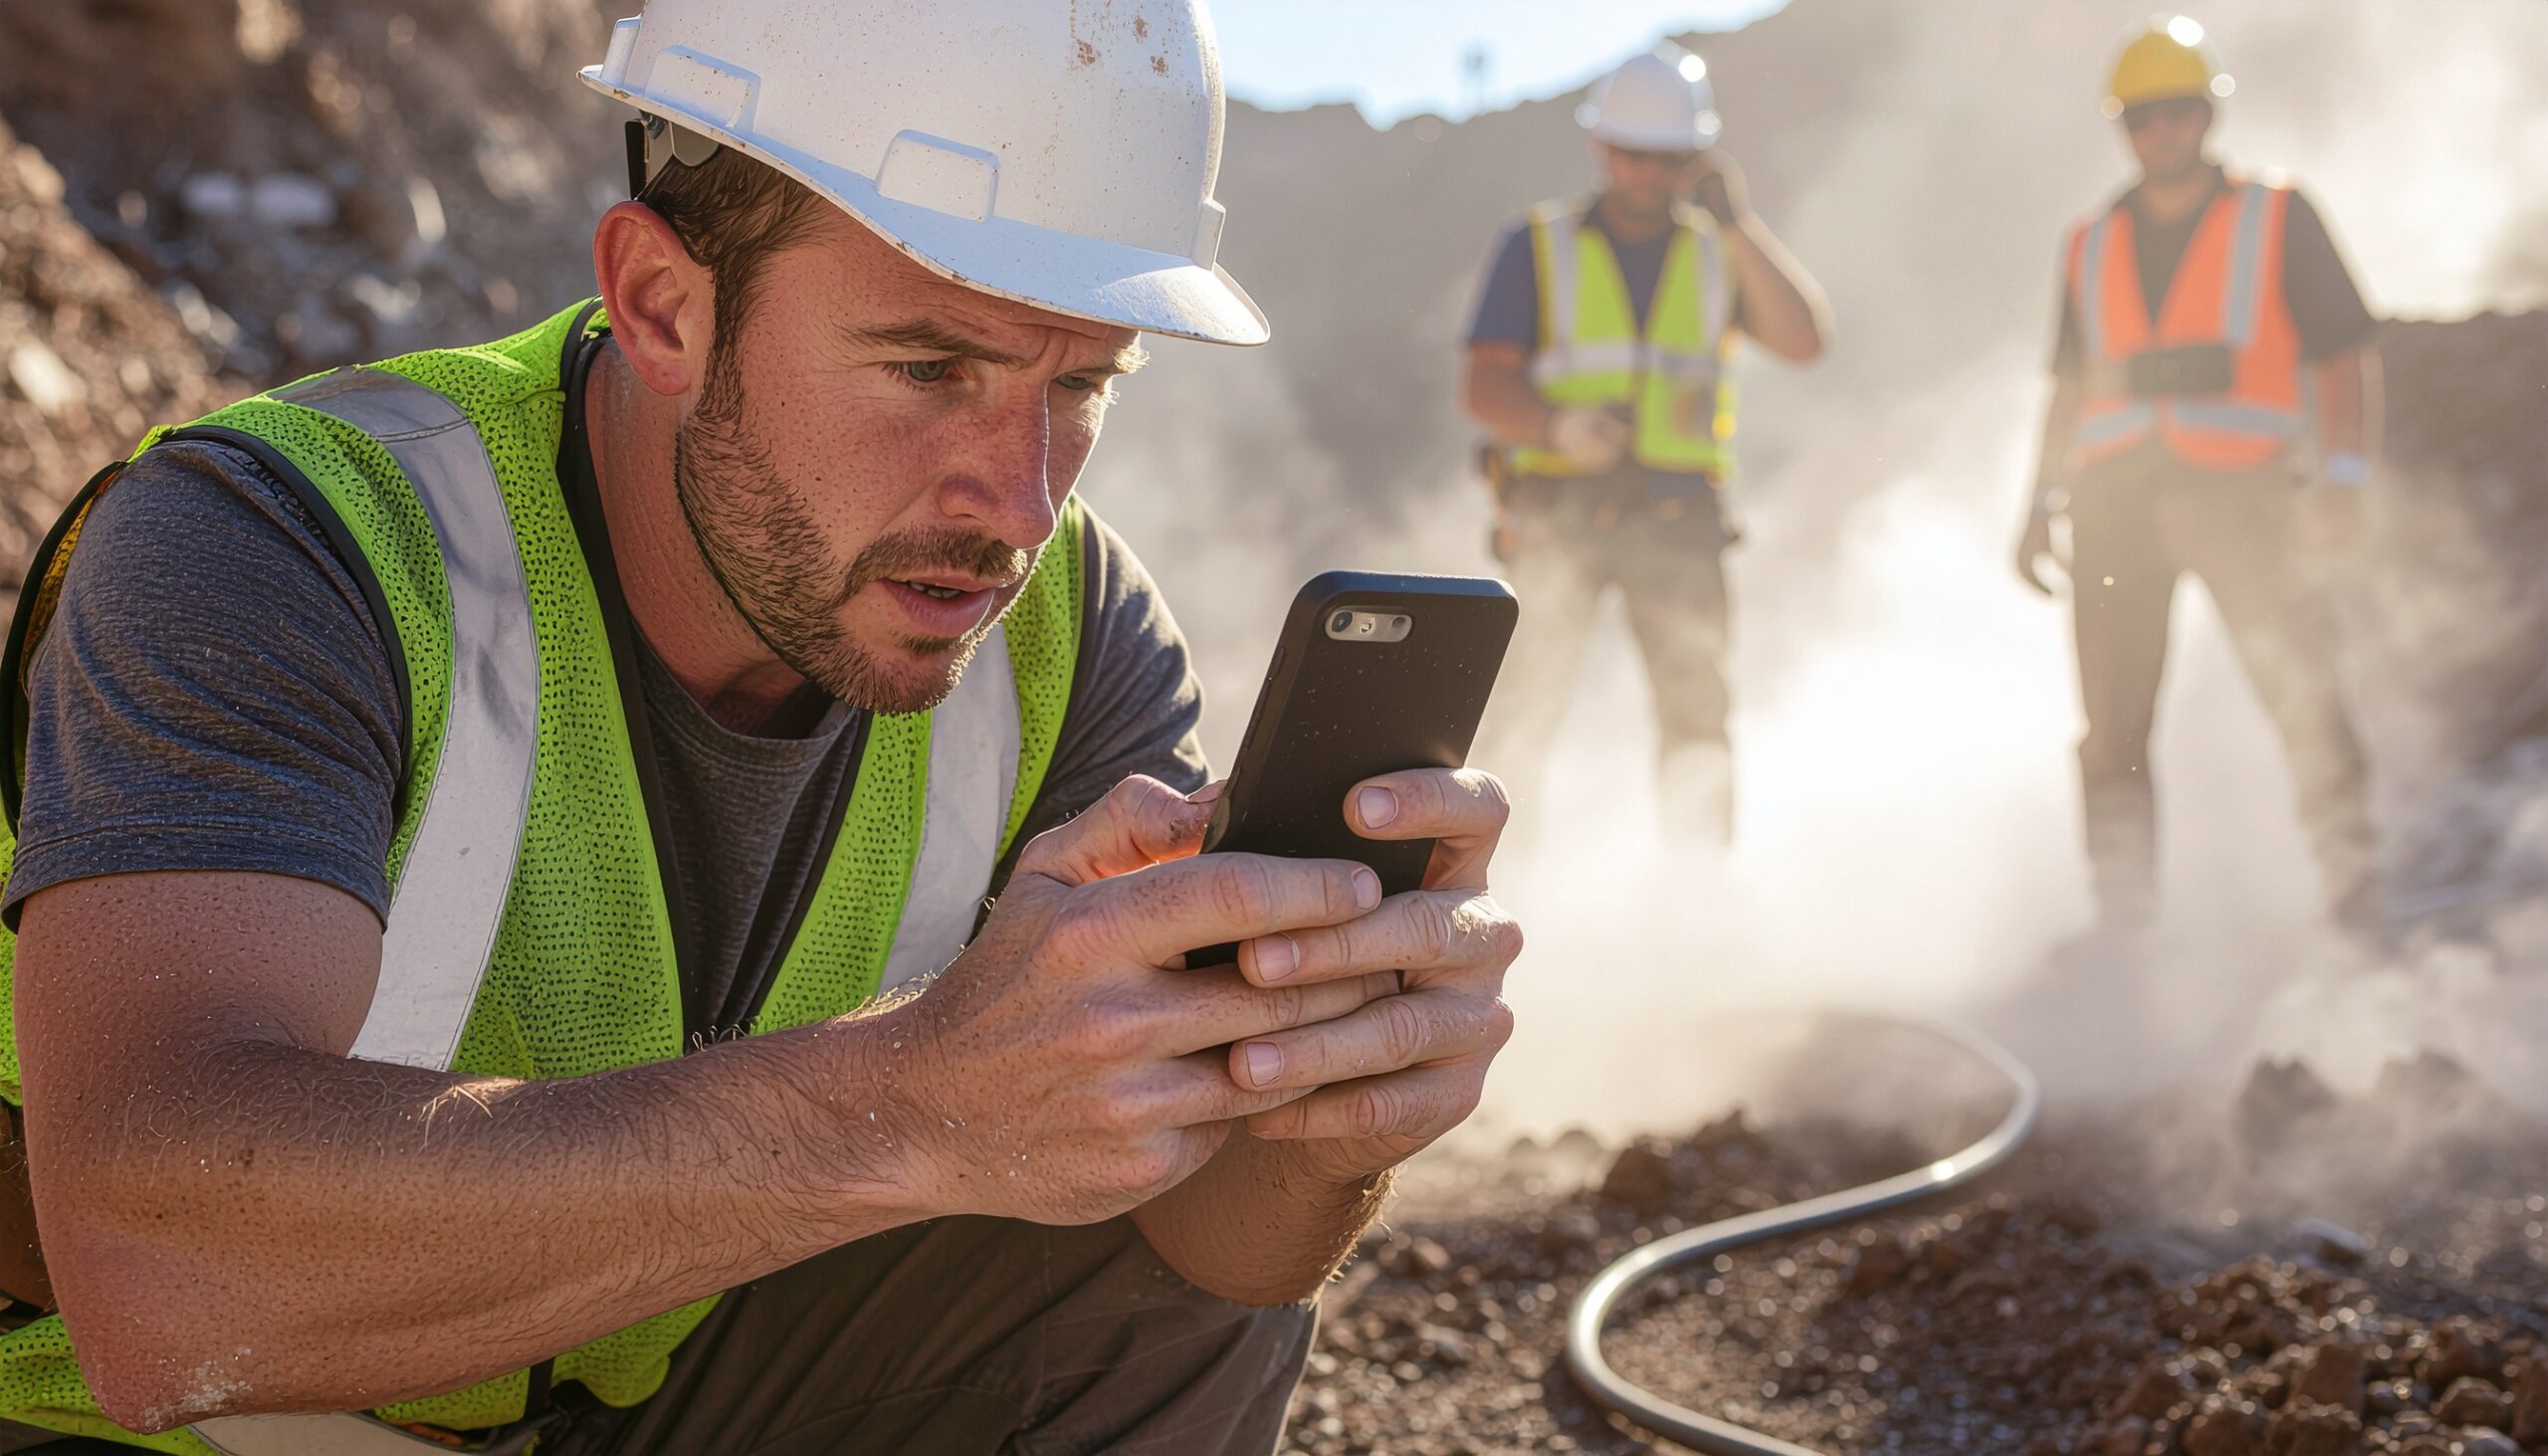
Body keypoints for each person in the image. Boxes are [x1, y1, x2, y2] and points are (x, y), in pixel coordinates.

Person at [0, 3, 1526, 1452]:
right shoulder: (282, 541)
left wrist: (1323, 1116)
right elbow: (157, 1274)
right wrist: (909, 1101)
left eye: (1083, 384)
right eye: (933, 367)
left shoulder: (1066, 626)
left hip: (597, 1396)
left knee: (1135, 1304)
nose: (1020, 500)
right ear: (662, 301)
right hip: (140, 1424)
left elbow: (1205, 1255)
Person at [2014, 15, 2382, 931]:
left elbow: (2348, 357)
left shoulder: (2277, 215)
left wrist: (2341, 475)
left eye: (2177, 112)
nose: (2161, 132)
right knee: (2114, 729)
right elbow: (2069, 388)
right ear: (2122, 128)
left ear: (2207, 115)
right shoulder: (2087, 242)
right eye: (2143, 118)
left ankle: (2354, 890)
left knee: (2302, 689)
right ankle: (2124, 920)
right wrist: (2035, 502)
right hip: (2113, 509)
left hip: (2243, 496)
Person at [1461, 42, 1827, 842]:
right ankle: (1492, 898)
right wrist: (1560, 427)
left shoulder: (1717, 250)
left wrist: (1739, 222)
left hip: (1679, 519)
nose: (1645, 174)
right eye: (1630, 153)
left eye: (1667, 158)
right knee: (1525, 718)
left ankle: (1696, 907)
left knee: (1698, 720)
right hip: (1559, 510)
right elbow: (1484, 386)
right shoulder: (1535, 244)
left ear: (1695, 159)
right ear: (1600, 147)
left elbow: (1804, 340)